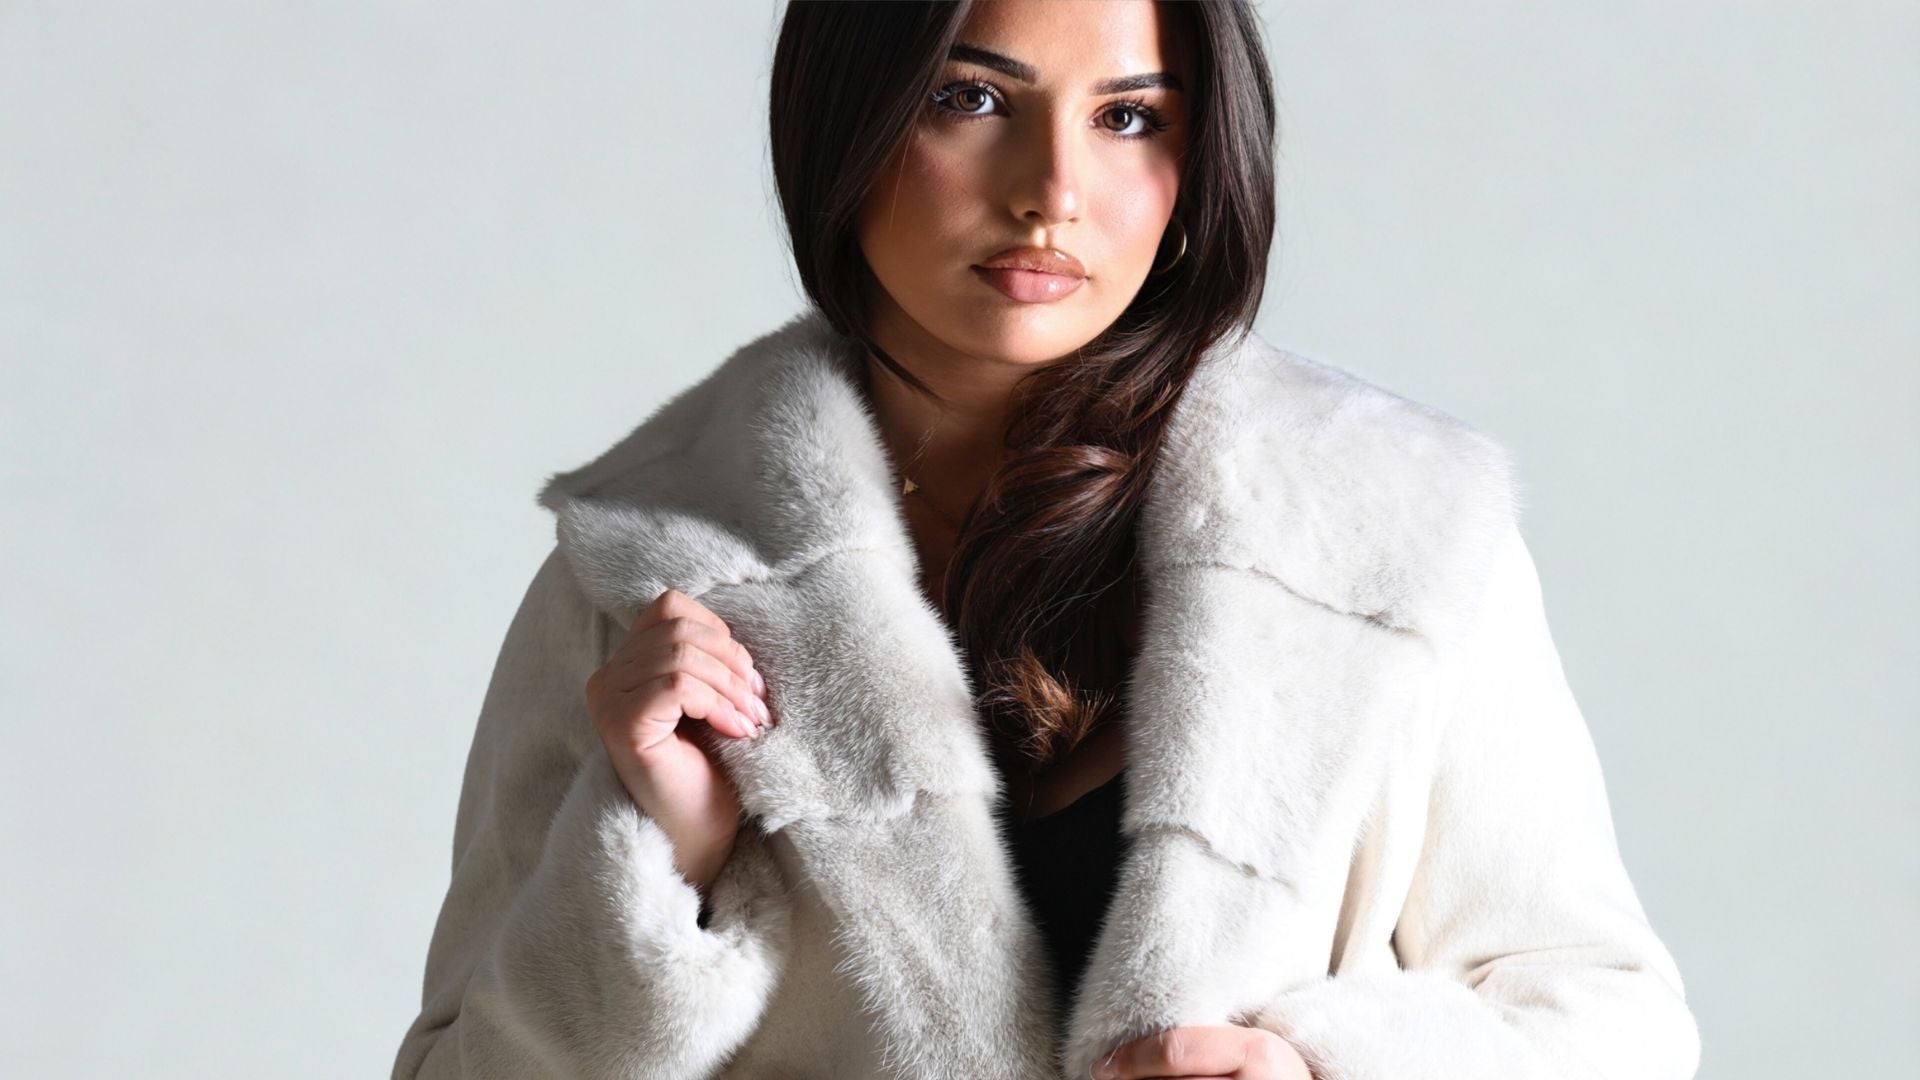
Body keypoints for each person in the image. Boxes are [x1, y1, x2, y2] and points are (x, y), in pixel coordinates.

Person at [391, 3, 1701, 1078]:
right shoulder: (653, 572)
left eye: (1129, 117)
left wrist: (1313, 1070)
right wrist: (656, 858)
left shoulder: (1391, 532)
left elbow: (1613, 1024)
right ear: (849, 119)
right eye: (971, 99)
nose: (1053, 193)